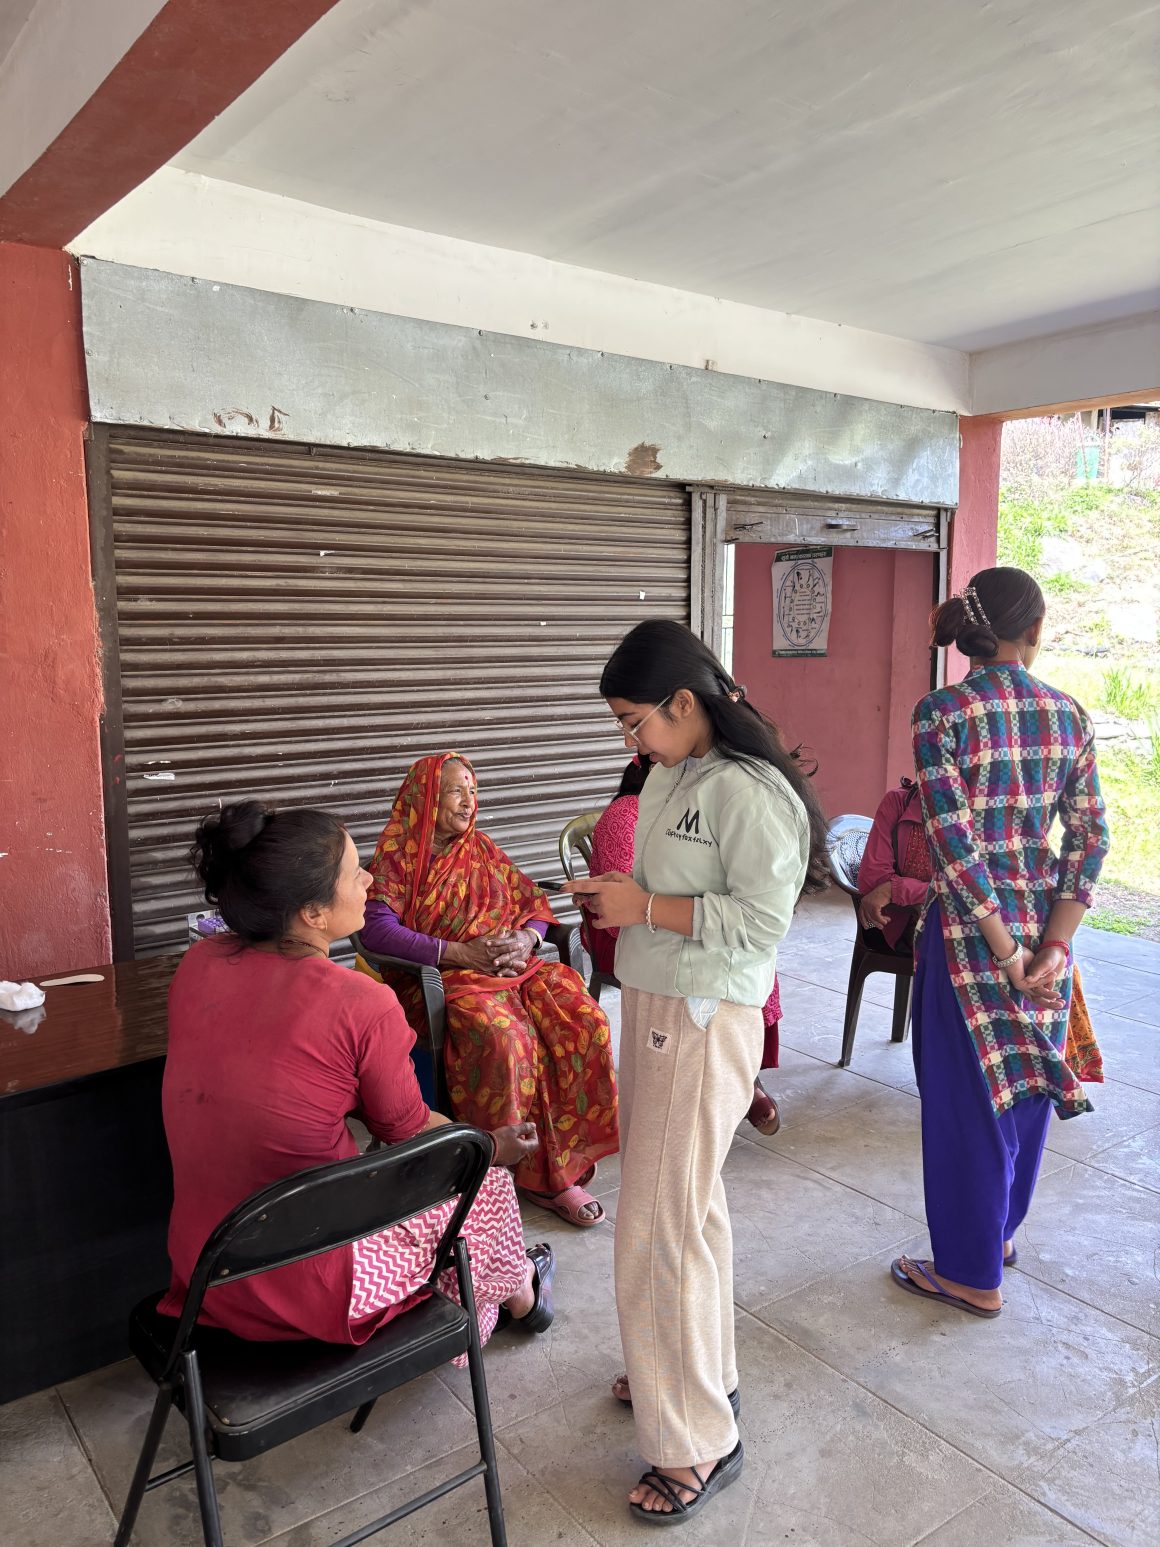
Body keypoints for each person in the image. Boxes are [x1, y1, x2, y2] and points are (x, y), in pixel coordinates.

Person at [561, 620, 830, 1526]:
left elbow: (761, 925)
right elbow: (676, 896)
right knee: (690, 1212)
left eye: (635, 721)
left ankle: (693, 1444)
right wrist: (623, 903)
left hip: (703, 1018)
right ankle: (697, 1376)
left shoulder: (753, 791)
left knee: (655, 1230)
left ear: (685, 701)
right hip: (653, 1006)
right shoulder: (674, 771)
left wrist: (644, 904)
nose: (628, 742)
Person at [161, 801, 556, 1355]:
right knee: (483, 1181)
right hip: (305, 1285)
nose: (370, 878)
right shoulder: (360, 1001)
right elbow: (409, 1134)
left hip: (207, 1263)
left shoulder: (199, 962)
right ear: (313, 915)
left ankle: (513, 1284)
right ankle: (517, 1296)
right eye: (354, 872)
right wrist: (489, 1145)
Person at [892, 568, 1109, 1319]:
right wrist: (1050, 947)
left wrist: (1006, 953)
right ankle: (999, 1234)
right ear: (1035, 633)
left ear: (971, 631)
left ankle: (970, 1270)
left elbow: (953, 847)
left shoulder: (941, 713)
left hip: (969, 939)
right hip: (1046, 934)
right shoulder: (1069, 714)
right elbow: (1089, 839)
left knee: (963, 1100)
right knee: (1022, 1087)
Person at [358, 753, 619, 1228]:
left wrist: (529, 937)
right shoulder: (398, 857)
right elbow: (375, 932)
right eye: (456, 791)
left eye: (472, 791)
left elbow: (533, 904)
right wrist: (461, 954)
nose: (468, 801)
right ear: (425, 798)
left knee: (585, 1022)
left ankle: (559, 1169)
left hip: (517, 967)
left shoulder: (480, 847)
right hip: (448, 978)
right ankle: (496, 1170)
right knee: (507, 1042)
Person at [589, 752, 786, 1136]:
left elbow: (758, 917)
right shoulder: (626, 815)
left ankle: (744, 1076)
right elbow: (621, 902)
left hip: (681, 933)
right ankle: (731, 1081)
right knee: (671, 1139)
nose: (630, 737)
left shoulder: (738, 799)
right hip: (624, 929)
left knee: (743, 959)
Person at [855, 775, 930, 952]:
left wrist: (894, 889)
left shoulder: (986, 813)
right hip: (906, 925)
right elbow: (872, 878)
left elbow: (979, 889)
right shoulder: (898, 802)